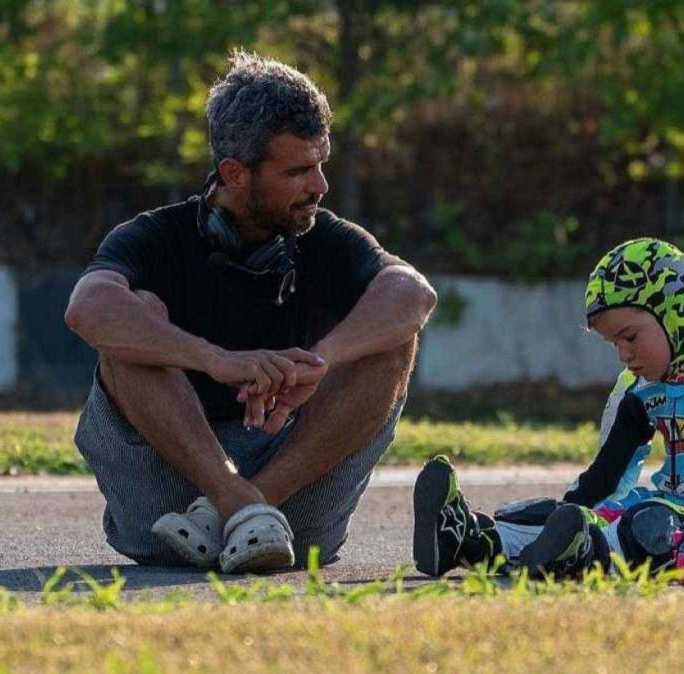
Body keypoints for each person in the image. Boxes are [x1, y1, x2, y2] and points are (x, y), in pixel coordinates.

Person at [66, 51, 436, 574]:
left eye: (322, 164)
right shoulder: (154, 237)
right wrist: (215, 360)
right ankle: (236, 503)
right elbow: (88, 309)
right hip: (167, 516)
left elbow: (413, 294)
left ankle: (238, 507)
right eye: (299, 170)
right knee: (132, 317)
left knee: (392, 337)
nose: (320, 186)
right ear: (235, 174)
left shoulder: (326, 237)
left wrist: (318, 360)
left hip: (290, 502)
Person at [412, 237, 684, 578]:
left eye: (630, 337)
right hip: (667, 507)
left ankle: (585, 553)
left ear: (676, 312)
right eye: (614, 344)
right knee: (571, 515)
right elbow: (605, 477)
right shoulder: (637, 389)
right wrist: (562, 515)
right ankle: (468, 539)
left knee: (647, 524)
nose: (623, 354)